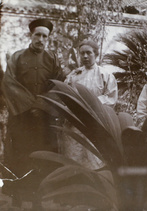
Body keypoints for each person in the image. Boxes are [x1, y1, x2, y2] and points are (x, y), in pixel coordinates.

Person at [1, 18, 65, 208]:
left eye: (45, 36)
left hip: (43, 120)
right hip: (21, 117)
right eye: (37, 34)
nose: (40, 39)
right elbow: (9, 84)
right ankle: (17, 197)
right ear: (32, 35)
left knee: (41, 158)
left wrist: (42, 106)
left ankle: (38, 198)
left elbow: (59, 84)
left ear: (48, 38)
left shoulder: (53, 59)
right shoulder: (17, 57)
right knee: (19, 156)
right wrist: (31, 105)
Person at [62, 39, 118, 169]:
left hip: (95, 121)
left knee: (94, 158)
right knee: (74, 156)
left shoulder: (105, 74)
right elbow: (65, 95)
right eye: (82, 53)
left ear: (96, 54)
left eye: (89, 53)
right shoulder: (73, 75)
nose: (85, 56)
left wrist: (91, 103)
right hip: (75, 121)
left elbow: (111, 98)